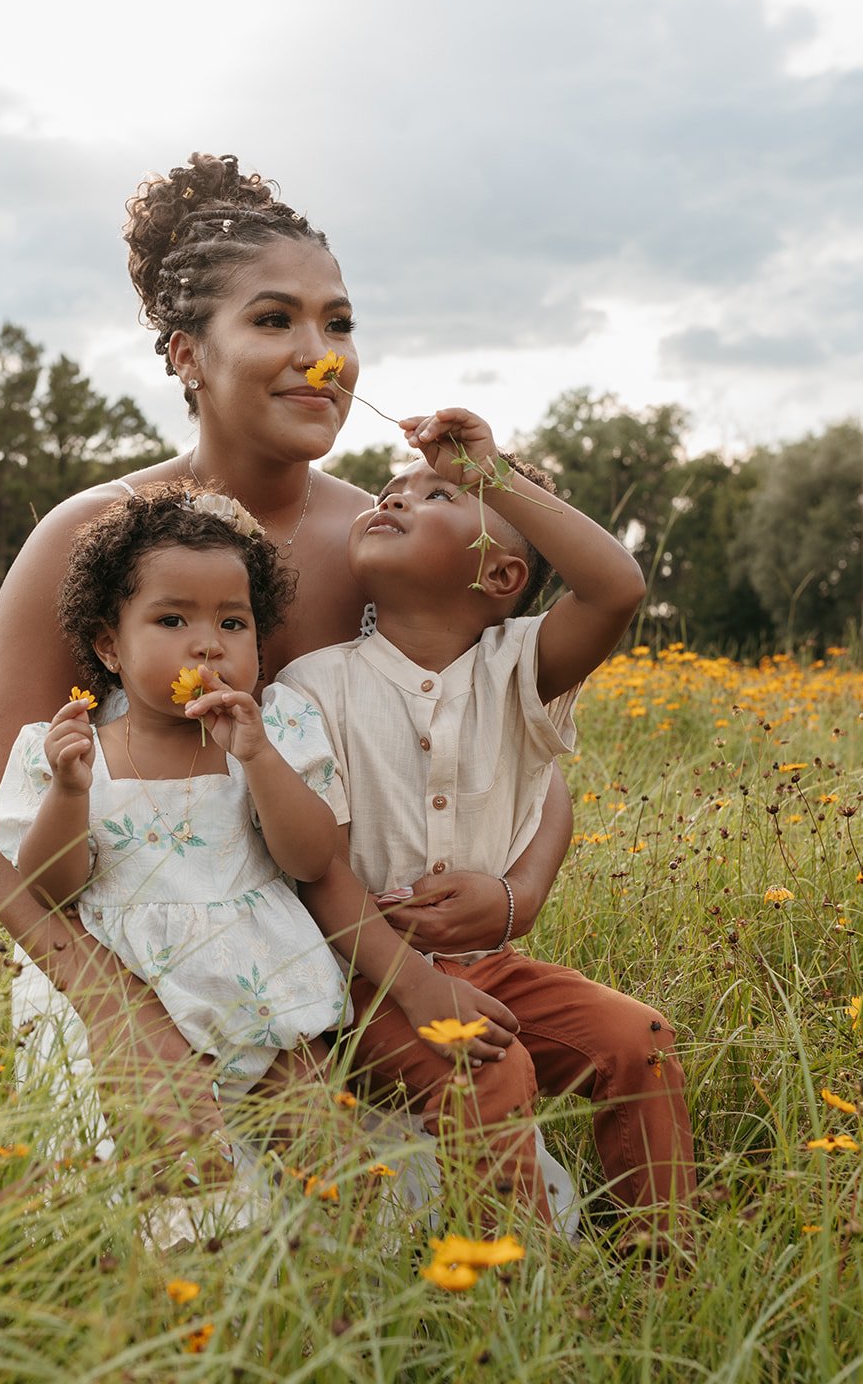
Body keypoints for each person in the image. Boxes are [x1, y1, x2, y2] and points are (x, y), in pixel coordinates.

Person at [0, 152, 572, 1151]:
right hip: (127, 972)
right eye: (273, 319)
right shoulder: (93, 538)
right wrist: (116, 1013)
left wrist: (518, 893)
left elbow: (505, 721)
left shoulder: (385, 547)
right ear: (183, 354)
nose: (320, 354)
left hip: (346, 974)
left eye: (338, 324)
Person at [268, 405, 696, 1234]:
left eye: (435, 498)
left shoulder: (521, 669)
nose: (392, 496)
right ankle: (511, 1299)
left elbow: (617, 587)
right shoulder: (312, 685)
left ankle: (663, 1265)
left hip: (491, 967)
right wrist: (420, 985)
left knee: (636, 1037)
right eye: (391, 489)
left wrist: (487, 473)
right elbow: (317, 869)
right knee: (482, 1068)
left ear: (500, 579)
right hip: (358, 978)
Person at [0, 486, 352, 1141]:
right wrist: (69, 796)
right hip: (132, 987)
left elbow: (310, 857)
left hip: (261, 982)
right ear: (109, 648)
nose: (207, 647)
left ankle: (319, 1235)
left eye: (231, 624)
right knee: (168, 1156)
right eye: (172, 621)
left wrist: (260, 758)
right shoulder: (75, 751)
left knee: (314, 1132)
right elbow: (48, 887)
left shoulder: (274, 731)